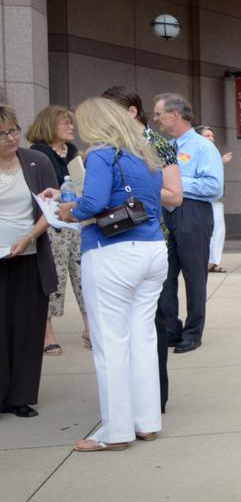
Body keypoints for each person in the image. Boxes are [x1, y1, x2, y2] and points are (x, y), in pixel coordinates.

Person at [56, 99, 167, 452]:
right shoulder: (146, 156)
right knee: (142, 339)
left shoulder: (103, 155)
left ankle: (116, 430)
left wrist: (68, 210)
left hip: (112, 253)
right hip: (153, 249)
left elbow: (93, 203)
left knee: (111, 344)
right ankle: (146, 422)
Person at [100, 86, 183, 412]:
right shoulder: (110, 146)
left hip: (148, 238)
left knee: (153, 321)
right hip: (113, 240)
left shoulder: (158, 144)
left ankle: (154, 396)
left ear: (132, 111)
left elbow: (175, 195)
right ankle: (128, 395)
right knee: (122, 324)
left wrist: (134, 191)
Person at [0, 102, 58, 419]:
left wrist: (28, 238)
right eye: (2, 134)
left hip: (29, 254)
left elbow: (49, 211)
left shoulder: (36, 161)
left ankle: (20, 396)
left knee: (26, 328)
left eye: (14, 130)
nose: (11, 138)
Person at [153, 94, 222, 352]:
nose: (156, 118)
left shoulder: (203, 147)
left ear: (175, 115)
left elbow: (214, 186)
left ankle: (193, 332)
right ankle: (171, 329)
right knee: (165, 276)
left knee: (194, 277)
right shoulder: (166, 147)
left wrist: (176, 184)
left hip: (193, 214)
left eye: (159, 113)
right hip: (167, 215)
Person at [26, 105, 89, 354]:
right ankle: (46, 334)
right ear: (50, 125)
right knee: (55, 279)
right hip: (51, 226)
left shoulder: (73, 152)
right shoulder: (37, 154)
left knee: (84, 277)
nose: (72, 127)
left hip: (76, 222)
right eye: (66, 123)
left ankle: (89, 329)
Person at [196, 125, 234, 273]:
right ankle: (202, 261)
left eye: (212, 136)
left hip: (216, 198)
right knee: (203, 230)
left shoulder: (213, 152)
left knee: (218, 229)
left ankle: (214, 261)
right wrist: (220, 161)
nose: (211, 138)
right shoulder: (196, 151)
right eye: (208, 135)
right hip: (200, 197)